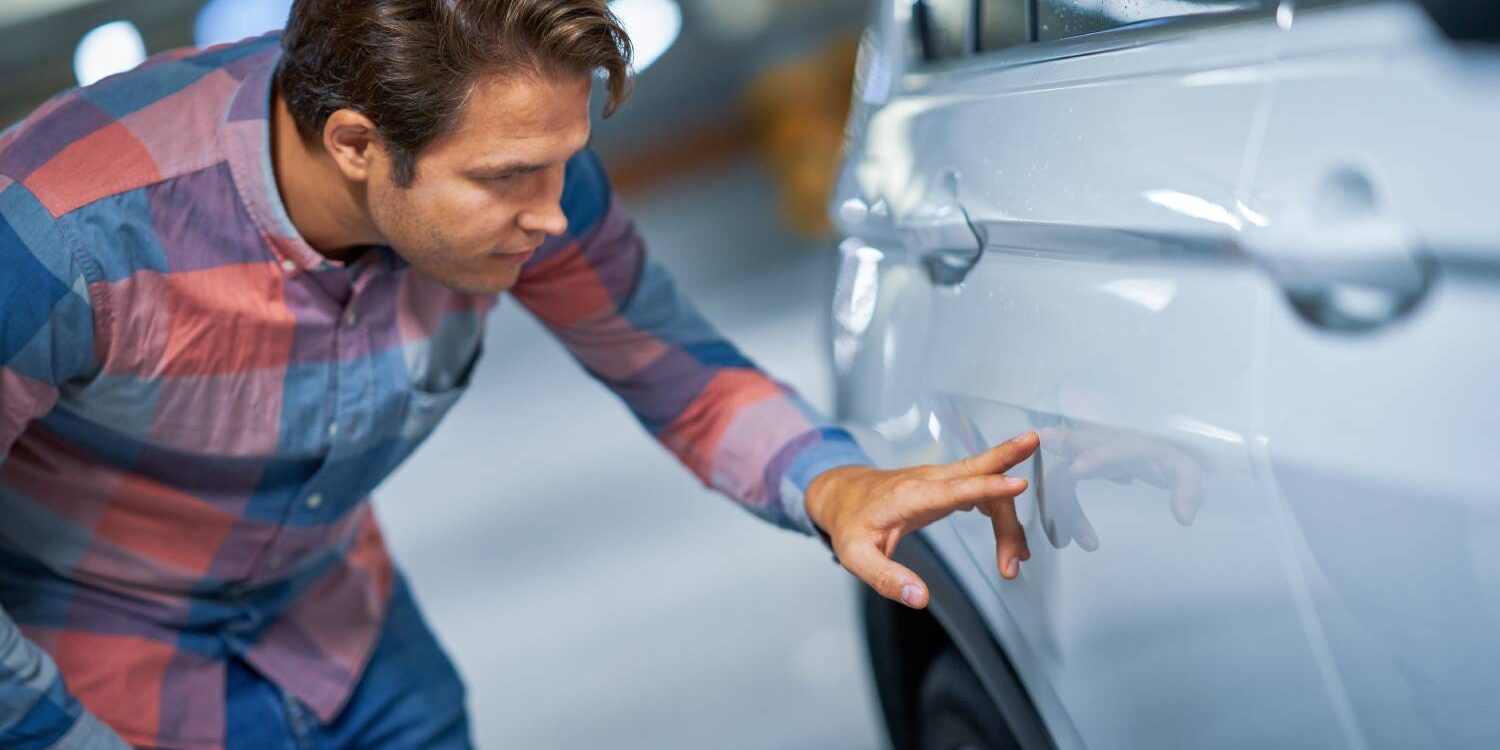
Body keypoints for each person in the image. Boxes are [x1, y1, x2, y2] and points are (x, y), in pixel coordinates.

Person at [0, 1, 1038, 747]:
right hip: (92, 675)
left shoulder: (529, 171)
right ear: (357, 144)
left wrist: (837, 484)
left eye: (563, 164)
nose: (552, 217)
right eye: (504, 181)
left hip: (348, 644)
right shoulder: (62, 236)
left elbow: (668, 364)